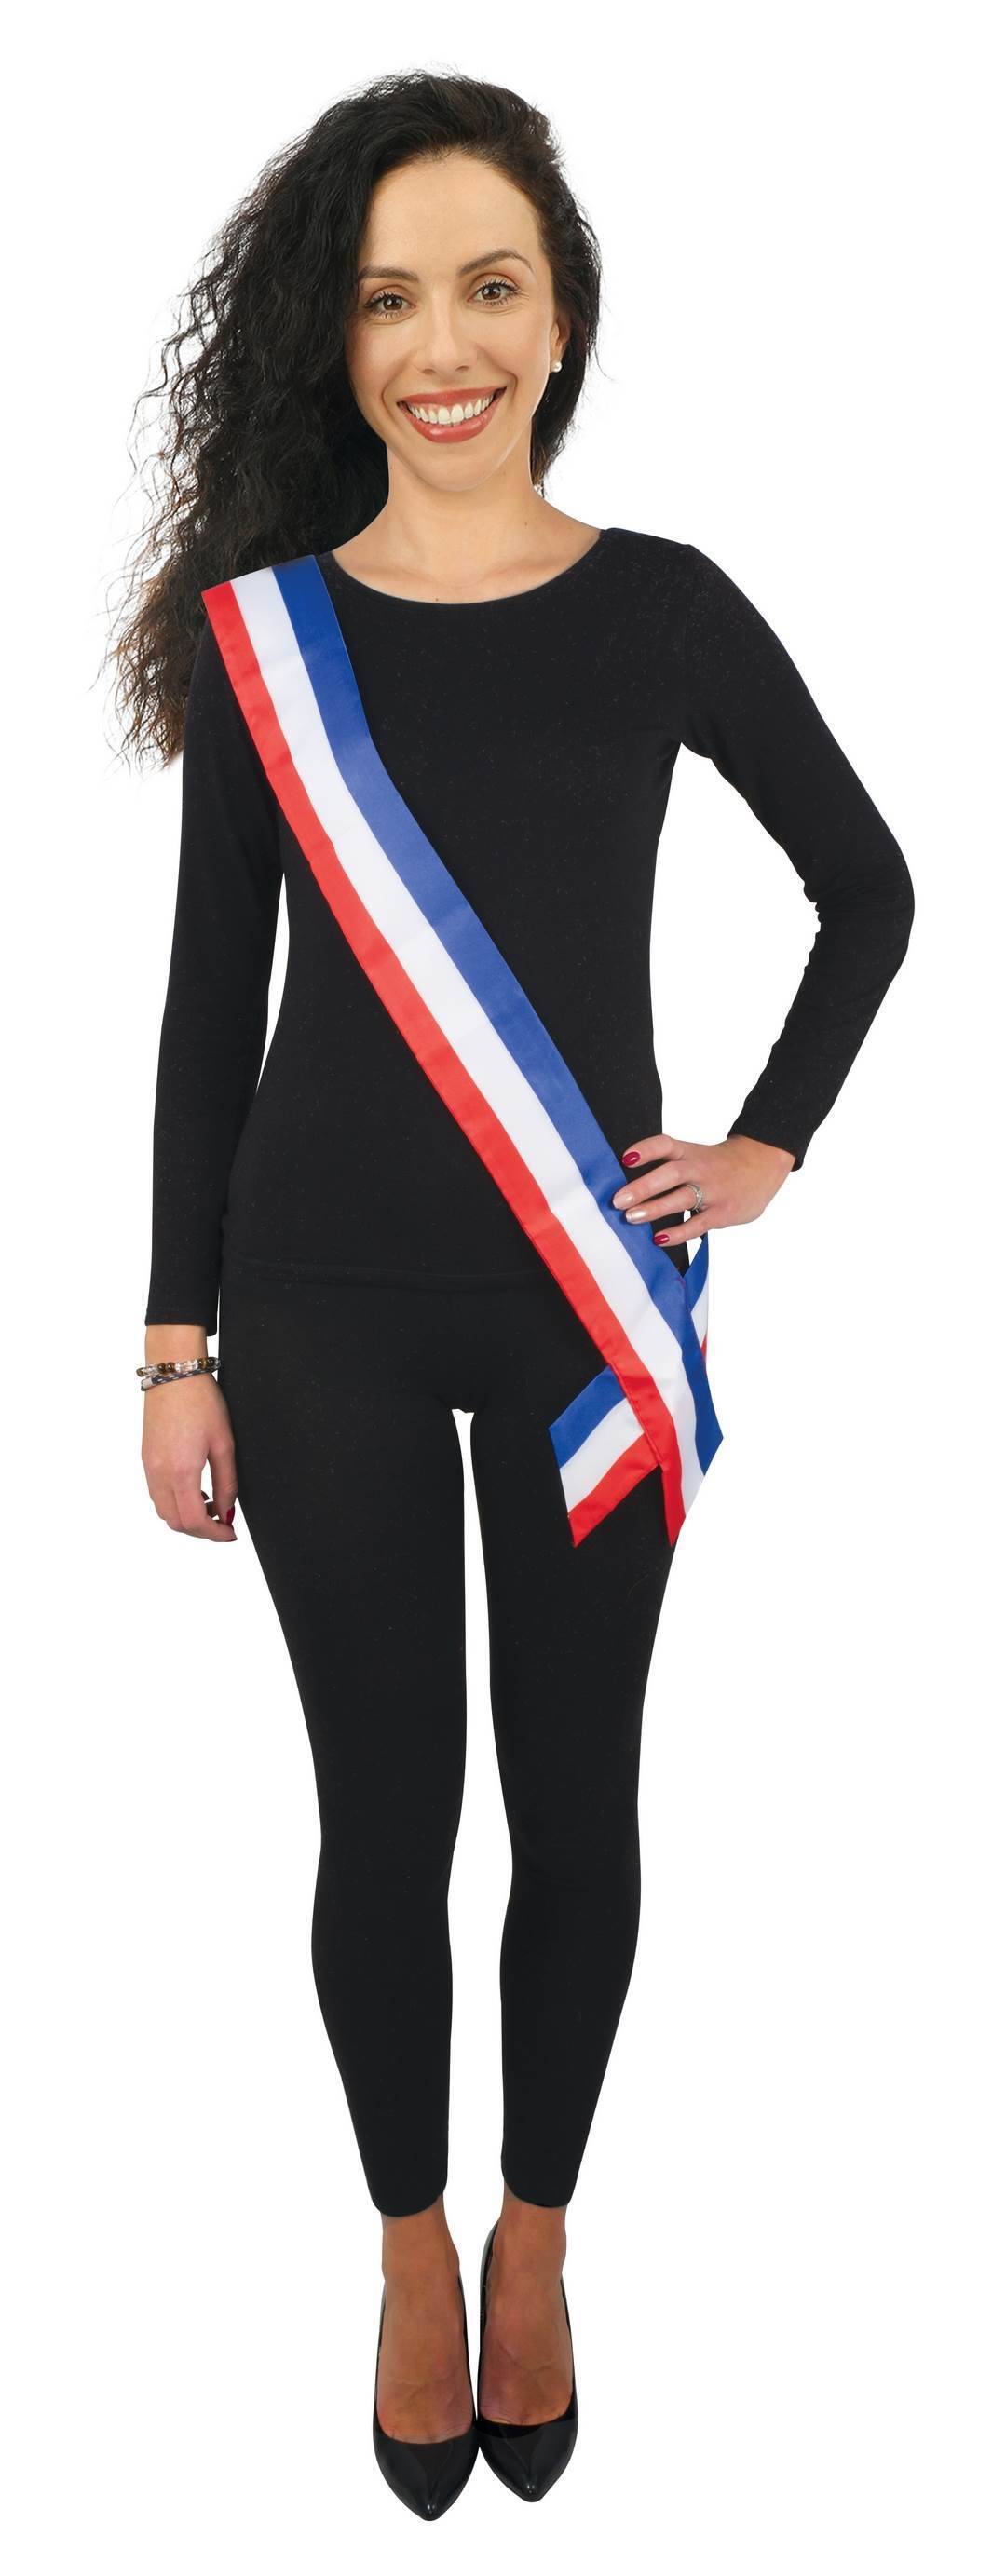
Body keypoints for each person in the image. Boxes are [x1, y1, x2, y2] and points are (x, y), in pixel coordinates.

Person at [115, 72, 915, 2514]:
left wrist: (768, 1147)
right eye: (388, 302)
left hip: (591, 1312)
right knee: (387, 1819)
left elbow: (869, 887)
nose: (441, 346)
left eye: (489, 288)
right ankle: (405, 2248)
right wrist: (172, 1345)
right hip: (317, 1320)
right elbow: (208, 1007)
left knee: (576, 1804)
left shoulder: (665, 605)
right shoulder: (266, 646)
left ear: (562, 315)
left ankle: (540, 2235)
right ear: (335, 342)